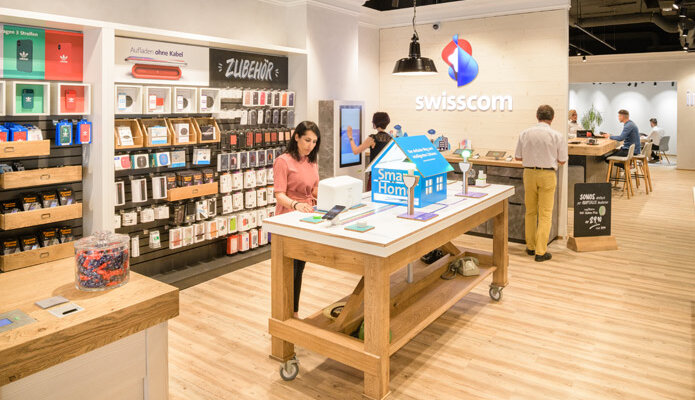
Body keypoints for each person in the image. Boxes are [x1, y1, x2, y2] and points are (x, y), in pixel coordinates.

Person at [273, 121, 321, 318]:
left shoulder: (312, 161)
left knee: (299, 268)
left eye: (314, 142)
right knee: (290, 269)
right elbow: (279, 194)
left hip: (307, 217)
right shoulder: (283, 161)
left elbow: (314, 189)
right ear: (296, 137)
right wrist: (295, 205)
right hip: (288, 218)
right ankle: (285, 315)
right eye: (307, 140)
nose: (310, 145)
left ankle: (294, 313)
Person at [514, 105, 567, 262]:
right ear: (552, 118)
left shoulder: (524, 133)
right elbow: (562, 160)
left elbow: (518, 157)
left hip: (529, 173)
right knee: (545, 214)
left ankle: (530, 247)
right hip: (547, 175)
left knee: (530, 211)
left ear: (537, 116)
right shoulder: (557, 135)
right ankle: (540, 251)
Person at [346, 111, 392, 190]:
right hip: (386, 176)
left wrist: (350, 136)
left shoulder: (373, 138)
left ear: (375, 122)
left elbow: (356, 151)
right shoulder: (390, 138)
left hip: (375, 176)